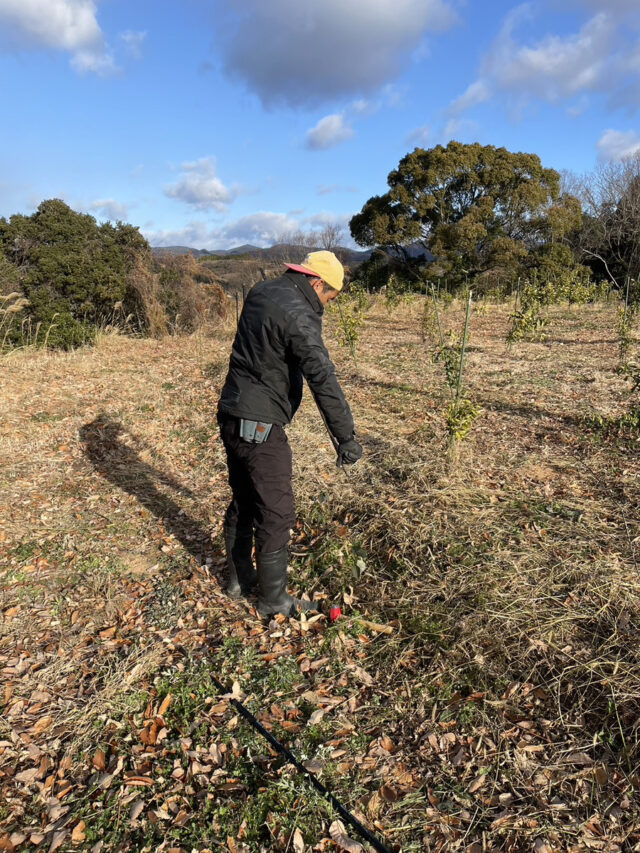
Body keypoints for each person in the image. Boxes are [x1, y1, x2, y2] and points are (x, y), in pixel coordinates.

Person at [217, 250, 362, 618]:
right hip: (260, 424)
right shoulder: (297, 313)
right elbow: (322, 377)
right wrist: (345, 437)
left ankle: (238, 579)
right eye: (329, 296)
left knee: (246, 499)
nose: (326, 305)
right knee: (276, 511)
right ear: (317, 283)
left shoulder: (262, 291)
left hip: (232, 411)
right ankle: (273, 601)